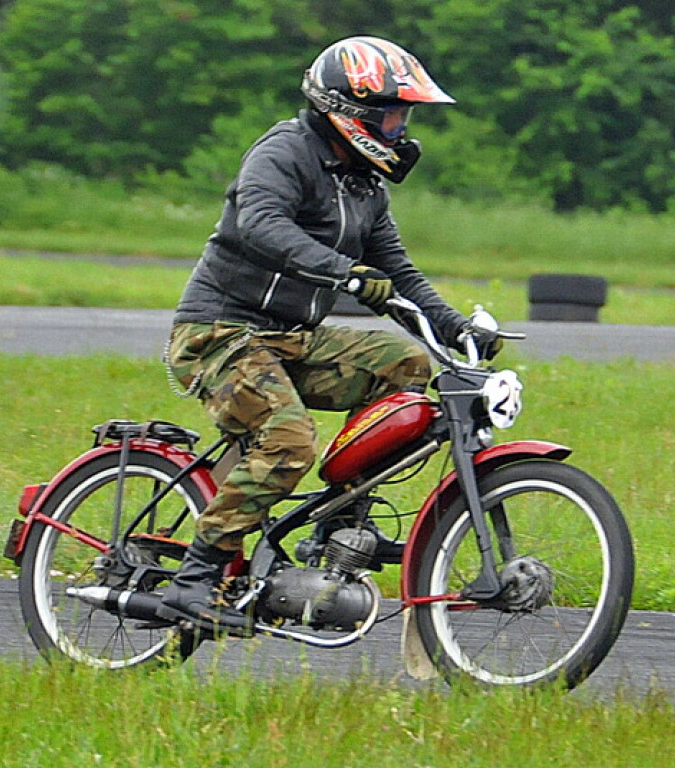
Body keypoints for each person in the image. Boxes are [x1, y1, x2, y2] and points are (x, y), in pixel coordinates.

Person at [161, 36, 500, 633]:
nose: (401, 129)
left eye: (404, 117)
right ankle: (195, 578)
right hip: (220, 332)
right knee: (290, 441)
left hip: (292, 339)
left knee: (406, 365)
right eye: (393, 115)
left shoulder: (365, 184)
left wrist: (453, 326)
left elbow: (396, 269)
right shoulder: (284, 152)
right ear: (351, 113)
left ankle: (342, 523)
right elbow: (261, 223)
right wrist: (344, 272)